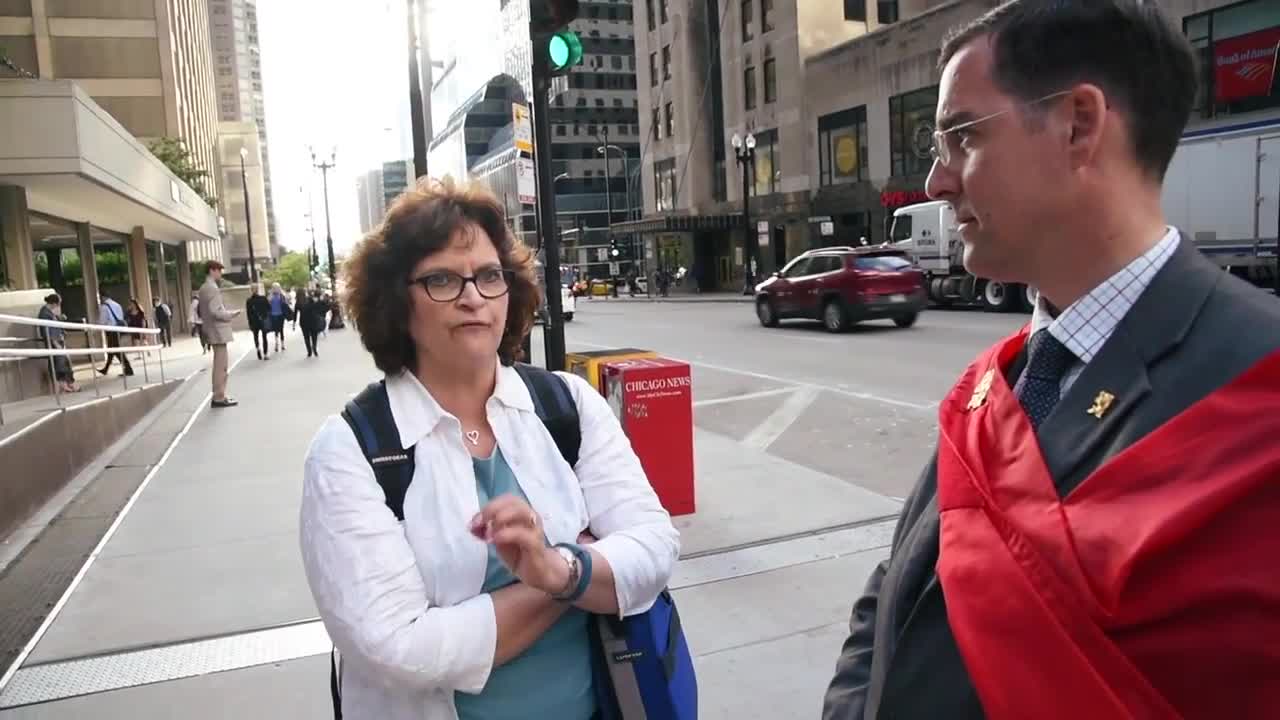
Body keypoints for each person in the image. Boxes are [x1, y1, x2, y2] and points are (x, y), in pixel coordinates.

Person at [821, 3, 1280, 719]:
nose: (937, 181)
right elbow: (897, 593)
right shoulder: (992, 382)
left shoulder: (1260, 387)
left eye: (963, 137)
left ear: (1078, 126)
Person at [300, 177, 679, 720]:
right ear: (396, 301)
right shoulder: (349, 451)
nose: (472, 297)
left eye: (488, 275)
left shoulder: (566, 405)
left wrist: (558, 567)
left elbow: (655, 548)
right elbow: (398, 650)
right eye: (441, 279)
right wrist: (570, 576)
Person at [197, 260, 241, 408]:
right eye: (219, 270)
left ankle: (219, 395)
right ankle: (219, 396)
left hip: (211, 329)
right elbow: (215, 311)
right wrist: (231, 314)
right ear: (212, 270)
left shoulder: (203, 288)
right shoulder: (212, 288)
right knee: (221, 366)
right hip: (218, 331)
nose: (221, 273)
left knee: (219, 364)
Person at [38, 293, 79, 393]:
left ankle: (67, 383)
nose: (58, 306)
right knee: (60, 362)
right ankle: (66, 383)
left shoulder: (48, 312)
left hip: (57, 341)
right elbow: (47, 331)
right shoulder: (44, 314)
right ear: (53, 303)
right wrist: (55, 343)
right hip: (54, 342)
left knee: (63, 362)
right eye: (58, 304)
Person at [96, 292, 134, 377]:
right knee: (112, 350)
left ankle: (128, 369)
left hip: (111, 330)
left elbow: (102, 321)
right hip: (118, 329)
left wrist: (96, 324)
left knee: (116, 350)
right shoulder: (117, 305)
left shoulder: (104, 307)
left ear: (103, 297)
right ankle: (106, 369)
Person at [299, 288, 329, 358]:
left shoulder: (304, 301)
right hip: (310, 321)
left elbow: (325, 309)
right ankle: (312, 349)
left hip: (306, 321)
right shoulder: (308, 301)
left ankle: (310, 350)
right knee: (312, 336)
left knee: (309, 336)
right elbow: (325, 309)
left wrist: (321, 302)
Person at [246, 284, 272, 361]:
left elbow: (248, 313)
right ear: (257, 290)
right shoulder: (263, 298)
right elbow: (269, 308)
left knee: (256, 336)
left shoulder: (249, 301)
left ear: (251, 290)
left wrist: (250, 323)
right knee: (264, 337)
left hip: (254, 322)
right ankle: (265, 354)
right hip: (263, 321)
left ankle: (258, 348)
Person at [268, 282, 289, 352]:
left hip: (280, 315)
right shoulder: (271, 296)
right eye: (274, 288)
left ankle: (282, 344)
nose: (276, 289)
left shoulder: (281, 296)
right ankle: (277, 343)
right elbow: (268, 304)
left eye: (277, 287)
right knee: (276, 330)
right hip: (273, 315)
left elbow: (286, 303)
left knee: (281, 329)